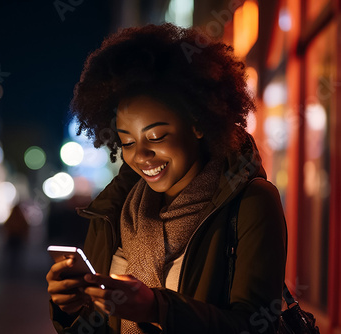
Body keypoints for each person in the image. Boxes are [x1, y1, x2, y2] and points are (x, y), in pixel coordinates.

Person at [46, 23, 287, 334]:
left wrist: (157, 309)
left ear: (198, 124)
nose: (141, 156)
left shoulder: (252, 203)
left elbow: (257, 326)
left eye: (157, 136)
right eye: (128, 142)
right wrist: (71, 309)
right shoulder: (112, 210)